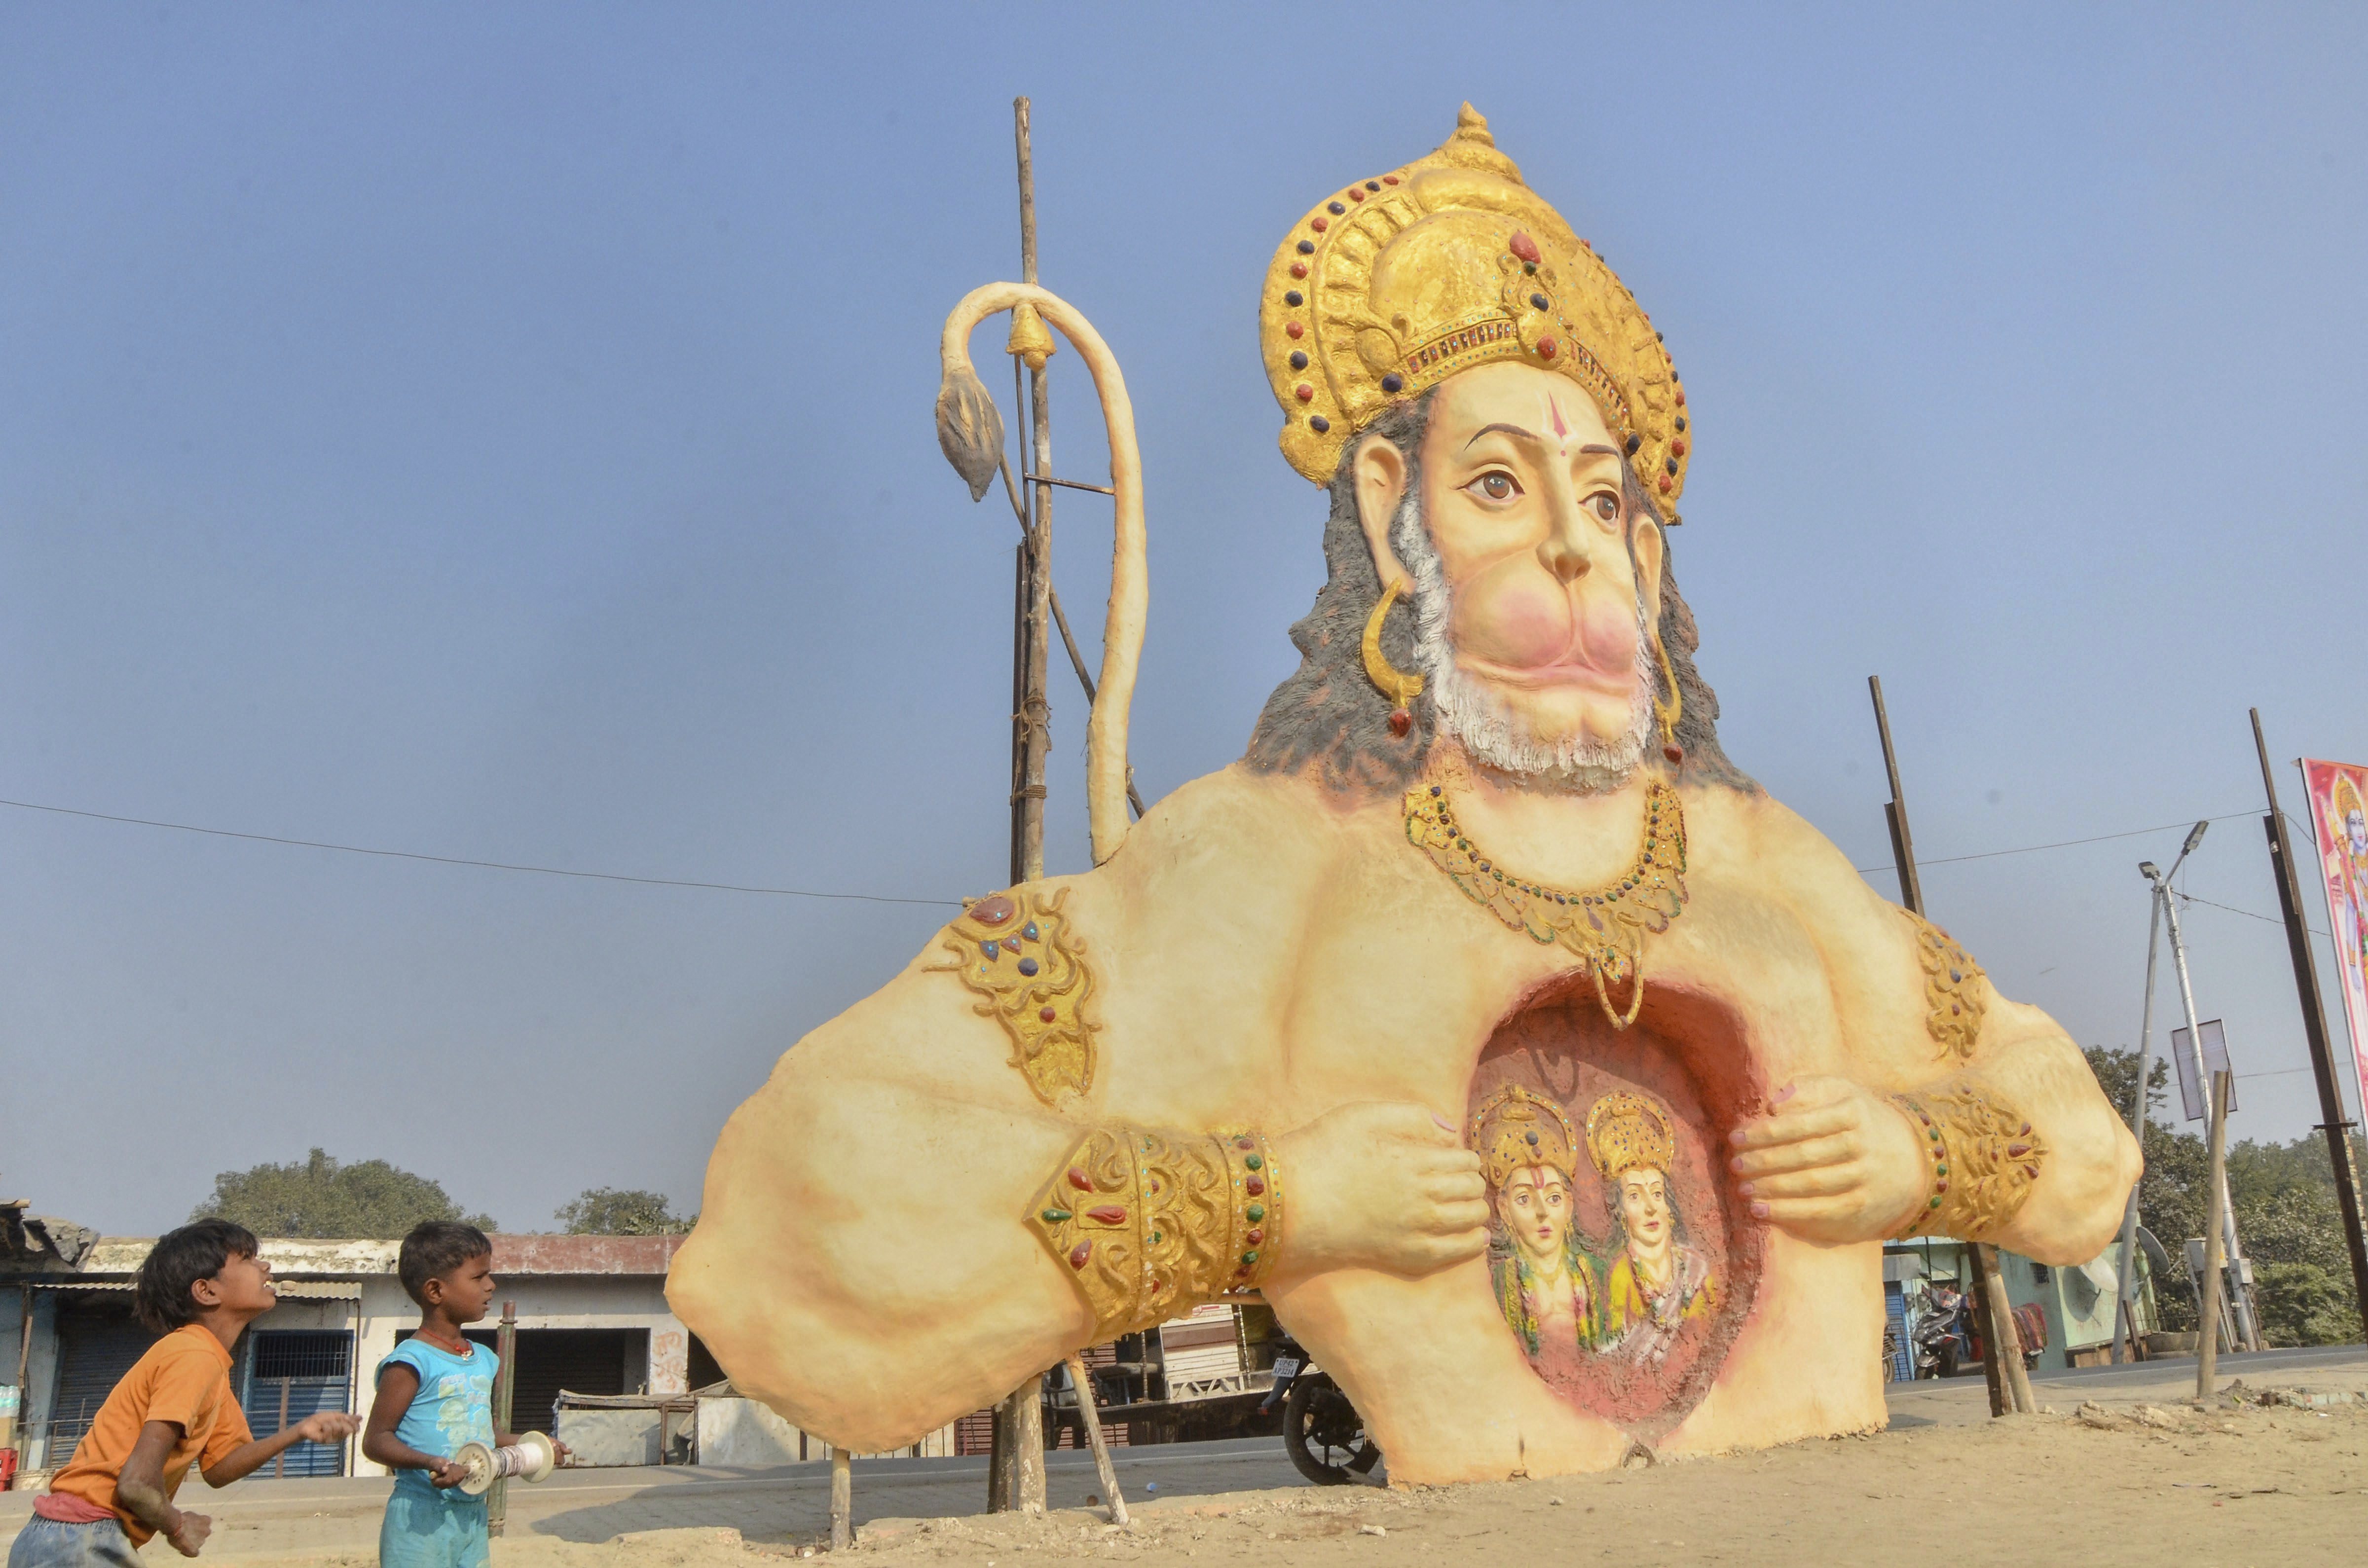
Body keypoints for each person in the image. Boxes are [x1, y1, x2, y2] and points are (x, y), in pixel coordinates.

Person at [671, 106, 2143, 1482]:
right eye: (1499, 486)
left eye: (1606, 499)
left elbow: (2080, 1141)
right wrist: (1271, 1205)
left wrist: (1923, 1155)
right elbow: (795, 1219)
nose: (1572, 546)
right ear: (1392, 511)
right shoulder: (1261, 864)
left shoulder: (1770, 869)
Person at [12, 1220, 361, 1568]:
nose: (265, 1266)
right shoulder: (194, 1356)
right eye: (248, 1259)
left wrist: (298, 1431)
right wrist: (178, 1527)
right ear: (207, 1291)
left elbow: (220, 1467)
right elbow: (135, 1482)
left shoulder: (208, 1361)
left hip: (66, 1538)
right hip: (78, 1541)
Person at [363, 1223, 558, 1568]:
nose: (491, 1285)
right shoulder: (412, 1361)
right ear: (436, 1290)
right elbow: (376, 1441)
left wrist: (537, 1444)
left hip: (472, 1517)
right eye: (478, 1277)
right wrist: (433, 1463)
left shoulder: (483, 1359)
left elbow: (483, 1434)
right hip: (421, 1518)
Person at [1473, 1087, 1599, 1380]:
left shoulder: (1590, 1274)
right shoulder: (1502, 1281)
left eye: (1553, 1198)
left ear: (1569, 1205)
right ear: (1503, 1209)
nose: (1543, 1212)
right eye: (1525, 1199)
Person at [1587, 1094, 1715, 1367]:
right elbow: (1615, 1349)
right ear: (1620, 1212)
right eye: (1635, 1196)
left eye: (1657, 1194)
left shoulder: (1697, 1269)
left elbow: (1709, 1334)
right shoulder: (1621, 1273)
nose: (1650, 1208)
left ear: (1669, 1205)